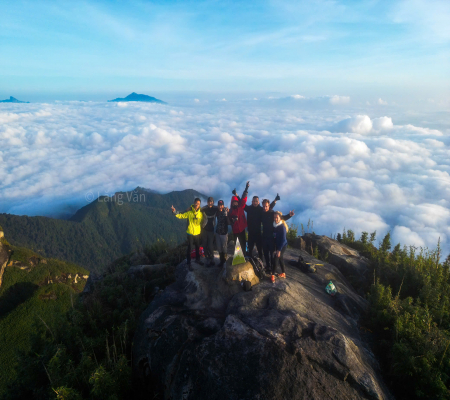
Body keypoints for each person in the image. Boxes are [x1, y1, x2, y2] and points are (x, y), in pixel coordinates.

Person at [261, 200, 294, 273]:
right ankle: (268, 266)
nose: (265, 208)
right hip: (264, 237)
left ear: (268, 206)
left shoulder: (272, 213)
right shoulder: (262, 213)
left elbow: (280, 217)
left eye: (266, 206)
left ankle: (273, 268)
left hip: (272, 238)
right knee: (265, 253)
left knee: (272, 254)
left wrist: (289, 215)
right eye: (263, 206)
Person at [171, 198, 204, 270]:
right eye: (196, 203)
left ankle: (197, 260)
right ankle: (189, 263)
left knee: (197, 247)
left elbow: (205, 221)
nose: (197, 205)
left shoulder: (201, 213)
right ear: (193, 203)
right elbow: (181, 215)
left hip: (198, 233)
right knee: (189, 249)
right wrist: (174, 212)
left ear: (200, 205)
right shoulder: (189, 212)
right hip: (190, 233)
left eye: (198, 204)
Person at [245, 193, 279, 259]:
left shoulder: (260, 209)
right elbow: (242, 203)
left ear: (258, 202)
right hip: (250, 233)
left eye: (256, 201)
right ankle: (250, 263)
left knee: (260, 249)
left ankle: (261, 263)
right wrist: (238, 194)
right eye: (254, 201)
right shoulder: (248, 208)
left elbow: (269, 207)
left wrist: (275, 200)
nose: (255, 203)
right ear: (252, 202)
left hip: (258, 233)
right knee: (250, 249)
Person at [229, 181, 249, 256]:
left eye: (236, 202)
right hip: (235, 230)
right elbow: (229, 220)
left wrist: (246, 188)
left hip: (242, 229)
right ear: (231, 203)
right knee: (237, 244)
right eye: (233, 202)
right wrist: (232, 219)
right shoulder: (230, 211)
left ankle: (244, 255)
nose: (235, 203)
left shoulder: (241, 207)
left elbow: (243, 199)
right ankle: (238, 257)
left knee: (243, 243)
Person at [272, 211, 289, 283]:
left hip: (282, 245)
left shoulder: (282, 227)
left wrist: (279, 250)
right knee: (281, 258)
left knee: (276, 258)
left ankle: (272, 275)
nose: (275, 219)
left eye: (277, 217)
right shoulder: (274, 225)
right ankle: (283, 273)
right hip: (277, 245)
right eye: (274, 217)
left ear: (280, 218)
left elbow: (283, 240)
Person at [201, 197, 217, 267]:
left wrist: (227, 209)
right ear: (207, 202)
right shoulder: (204, 209)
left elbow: (221, 208)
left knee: (210, 245)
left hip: (211, 230)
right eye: (209, 201)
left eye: (211, 202)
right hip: (204, 229)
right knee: (204, 245)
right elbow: (196, 210)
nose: (210, 203)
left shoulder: (215, 208)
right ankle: (207, 258)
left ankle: (212, 258)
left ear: (213, 202)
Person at [215, 200, 229, 268]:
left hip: (224, 233)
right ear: (218, 206)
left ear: (223, 205)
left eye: (221, 205)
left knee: (224, 247)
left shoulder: (225, 212)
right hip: (218, 232)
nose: (220, 206)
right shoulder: (217, 211)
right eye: (219, 205)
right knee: (219, 247)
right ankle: (221, 261)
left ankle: (225, 261)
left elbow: (229, 222)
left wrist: (227, 214)